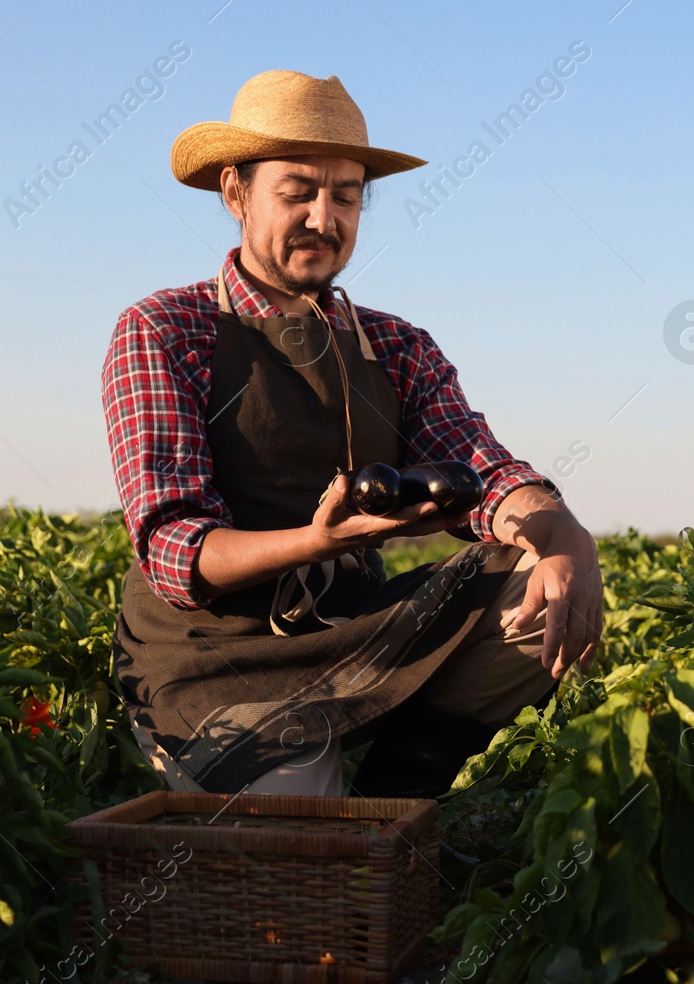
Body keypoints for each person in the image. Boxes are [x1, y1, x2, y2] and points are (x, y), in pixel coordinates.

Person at [101, 70, 603, 798]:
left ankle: (401, 803)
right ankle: (329, 810)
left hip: (357, 629)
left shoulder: (396, 346)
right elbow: (177, 552)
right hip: (210, 660)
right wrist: (318, 541)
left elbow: (481, 467)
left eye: (345, 195)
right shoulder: (166, 329)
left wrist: (561, 534)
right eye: (297, 191)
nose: (323, 217)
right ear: (235, 193)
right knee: (296, 825)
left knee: (543, 592)